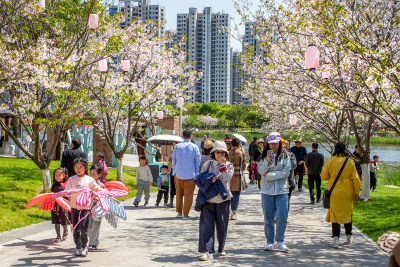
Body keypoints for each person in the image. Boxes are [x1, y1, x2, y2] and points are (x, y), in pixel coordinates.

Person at [320, 142, 361, 248]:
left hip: (335, 192)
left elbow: (324, 176)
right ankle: (348, 237)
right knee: (348, 213)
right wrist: (356, 192)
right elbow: (356, 179)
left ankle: (335, 239)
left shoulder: (330, 160)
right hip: (348, 191)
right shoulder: (350, 161)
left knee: (335, 215)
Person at [198, 141, 234, 261]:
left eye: (222, 152)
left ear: (225, 153)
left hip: (223, 200)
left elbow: (226, 178)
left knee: (222, 226)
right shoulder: (207, 165)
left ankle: (221, 248)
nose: (219, 154)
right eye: (217, 152)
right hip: (208, 200)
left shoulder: (229, 165)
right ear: (213, 153)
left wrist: (222, 165)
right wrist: (209, 180)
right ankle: (206, 251)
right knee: (206, 226)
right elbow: (200, 180)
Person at [258, 132, 291, 252]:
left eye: (275, 143)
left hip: (282, 190)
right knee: (268, 218)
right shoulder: (263, 157)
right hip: (267, 191)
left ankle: (280, 241)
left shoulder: (285, 156)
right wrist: (267, 160)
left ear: (279, 143)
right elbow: (261, 171)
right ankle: (270, 242)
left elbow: (286, 173)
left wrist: (270, 176)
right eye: (271, 143)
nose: (273, 146)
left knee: (282, 216)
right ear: (268, 144)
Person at [65, 157, 103, 257]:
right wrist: (67, 193)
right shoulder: (71, 179)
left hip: (86, 208)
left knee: (84, 227)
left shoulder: (89, 180)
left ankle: (84, 246)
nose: (78, 169)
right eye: (76, 166)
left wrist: (103, 192)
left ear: (85, 168)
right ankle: (78, 246)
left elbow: (96, 188)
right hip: (74, 207)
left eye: (80, 167)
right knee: (76, 228)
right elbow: (66, 191)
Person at [172, 129, 201, 219]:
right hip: (190, 174)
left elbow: (173, 160)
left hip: (178, 173)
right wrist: (196, 172)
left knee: (179, 193)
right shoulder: (194, 147)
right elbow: (198, 160)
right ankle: (185, 214)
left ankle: (179, 212)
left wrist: (175, 170)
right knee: (188, 195)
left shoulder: (177, 146)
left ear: (182, 136)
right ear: (191, 137)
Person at [228, 138, 247, 220]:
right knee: (236, 195)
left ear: (231, 144)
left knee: (230, 194)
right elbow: (244, 165)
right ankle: (234, 212)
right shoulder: (241, 153)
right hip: (238, 175)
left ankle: (229, 210)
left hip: (228, 176)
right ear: (239, 144)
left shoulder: (227, 153)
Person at [88, 164, 105, 251]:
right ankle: (91, 241)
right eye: (90, 173)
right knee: (89, 226)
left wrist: (99, 198)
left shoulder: (101, 185)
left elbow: (104, 196)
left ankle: (94, 243)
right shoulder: (87, 184)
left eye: (94, 173)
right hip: (88, 208)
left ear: (99, 175)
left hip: (98, 209)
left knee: (95, 226)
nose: (91, 175)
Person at [51, 167, 69, 243]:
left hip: (62, 206)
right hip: (54, 206)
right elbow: (51, 193)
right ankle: (58, 235)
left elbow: (68, 194)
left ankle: (65, 231)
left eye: (59, 175)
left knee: (63, 219)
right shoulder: (54, 185)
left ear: (64, 176)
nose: (57, 177)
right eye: (56, 175)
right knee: (56, 221)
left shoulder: (66, 185)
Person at [284, 140, 297, 212]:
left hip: (289, 181)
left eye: (287, 144)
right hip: (278, 181)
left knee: (287, 199)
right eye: (283, 143)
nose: (285, 145)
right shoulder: (276, 155)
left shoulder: (291, 154)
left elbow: (294, 165)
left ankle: (285, 216)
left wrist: (284, 168)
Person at [167, 142, 177, 208]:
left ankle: (172, 202)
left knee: (174, 188)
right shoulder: (173, 154)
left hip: (176, 173)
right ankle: (171, 202)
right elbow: (169, 161)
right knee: (173, 188)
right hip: (175, 173)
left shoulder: (174, 153)